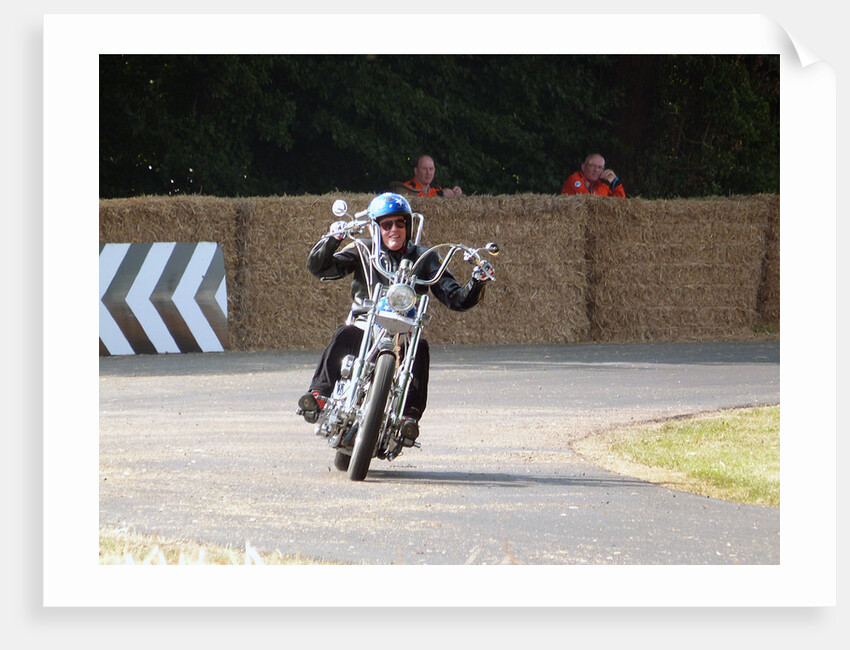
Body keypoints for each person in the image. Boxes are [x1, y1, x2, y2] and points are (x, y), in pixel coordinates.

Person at [297, 192, 493, 442]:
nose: (393, 229)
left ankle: (408, 417)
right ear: (376, 227)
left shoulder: (426, 256)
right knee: (344, 333)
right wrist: (333, 239)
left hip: (405, 330)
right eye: (386, 224)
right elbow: (319, 268)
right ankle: (318, 396)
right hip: (365, 323)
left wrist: (477, 282)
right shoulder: (362, 248)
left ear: (408, 225)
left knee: (420, 348)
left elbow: (455, 298)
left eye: (399, 223)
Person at [389, 154, 463, 198]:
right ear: (416, 171)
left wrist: (455, 195)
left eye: (431, 169)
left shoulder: (436, 188)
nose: (428, 173)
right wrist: (440, 194)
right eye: (424, 169)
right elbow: (419, 200)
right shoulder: (406, 188)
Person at [560, 153, 626, 198]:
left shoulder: (599, 183)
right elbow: (592, 204)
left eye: (600, 167)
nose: (596, 170)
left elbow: (620, 202)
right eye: (592, 166)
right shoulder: (575, 180)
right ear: (583, 167)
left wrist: (616, 181)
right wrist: (606, 182)